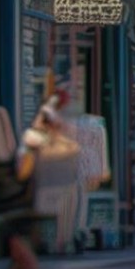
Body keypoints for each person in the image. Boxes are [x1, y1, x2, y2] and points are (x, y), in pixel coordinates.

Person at [16, 95, 82, 254]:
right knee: (56, 215)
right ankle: (61, 242)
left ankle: (56, 242)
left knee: (52, 216)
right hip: (55, 185)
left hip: (49, 185)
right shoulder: (63, 141)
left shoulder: (40, 138)